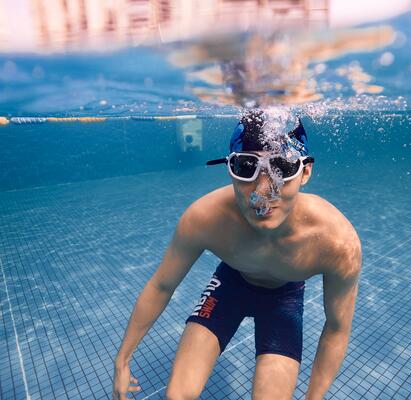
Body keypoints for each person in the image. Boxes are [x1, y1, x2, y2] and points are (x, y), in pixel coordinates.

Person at [112, 110, 362, 400]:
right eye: (246, 167)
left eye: (282, 168)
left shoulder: (337, 243)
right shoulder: (205, 218)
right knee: (177, 395)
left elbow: (336, 329)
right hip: (231, 284)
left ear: (305, 172)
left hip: (284, 298)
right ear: (229, 168)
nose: (262, 192)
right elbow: (161, 286)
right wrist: (122, 360)